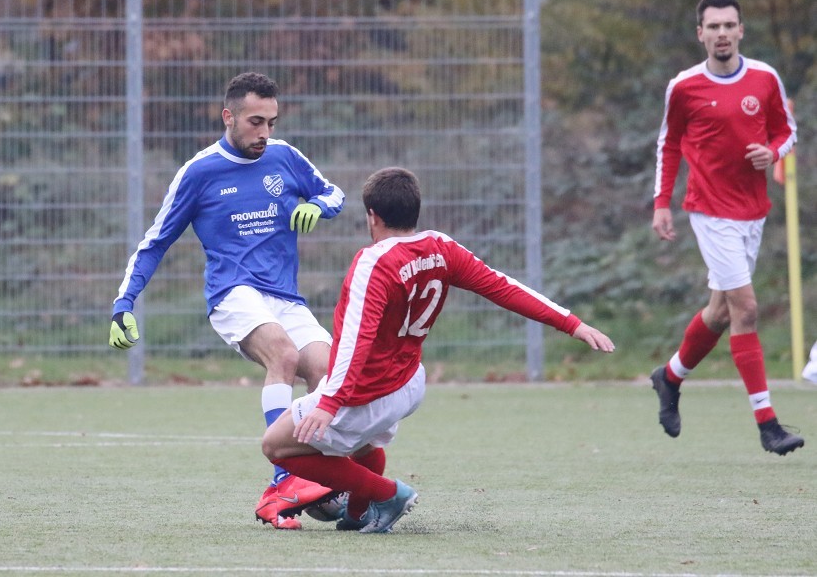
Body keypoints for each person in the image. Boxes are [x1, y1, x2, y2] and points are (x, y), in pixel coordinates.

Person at [261, 167, 615, 533]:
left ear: (373, 215)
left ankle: (387, 494)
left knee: (277, 446)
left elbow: (356, 340)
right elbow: (503, 287)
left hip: (364, 393)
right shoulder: (441, 249)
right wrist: (572, 322)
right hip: (408, 384)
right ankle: (357, 515)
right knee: (364, 448)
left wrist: (330, 401)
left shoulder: (373, 263)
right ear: (415, 210)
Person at [108, 72, 346, 529]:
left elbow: (332, 191)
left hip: (284, 296)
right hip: (232, 294)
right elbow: (155, 241)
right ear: (229, 116)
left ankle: (325, 482)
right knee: (284, 354)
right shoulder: (199, 172)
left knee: (329, 371)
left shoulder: (284, 157)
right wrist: (125, 302)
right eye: (256, 122)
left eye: (272, 123)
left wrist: (320, 206)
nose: (265, 133)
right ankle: (285, 478)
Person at [650, 0, 802, 455]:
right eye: (712, 26)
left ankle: (670, 377)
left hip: (752, 211)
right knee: (747, 308)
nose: (721, 33)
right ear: (700, 33)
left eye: (729, 25)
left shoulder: (764, 77)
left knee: (719, 312)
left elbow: (787, 131)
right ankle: (767, 423)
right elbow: (669, 144)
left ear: (740, 31)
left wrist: (772, 152)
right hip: (709, 210)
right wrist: (662, 203)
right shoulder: (684, 86)